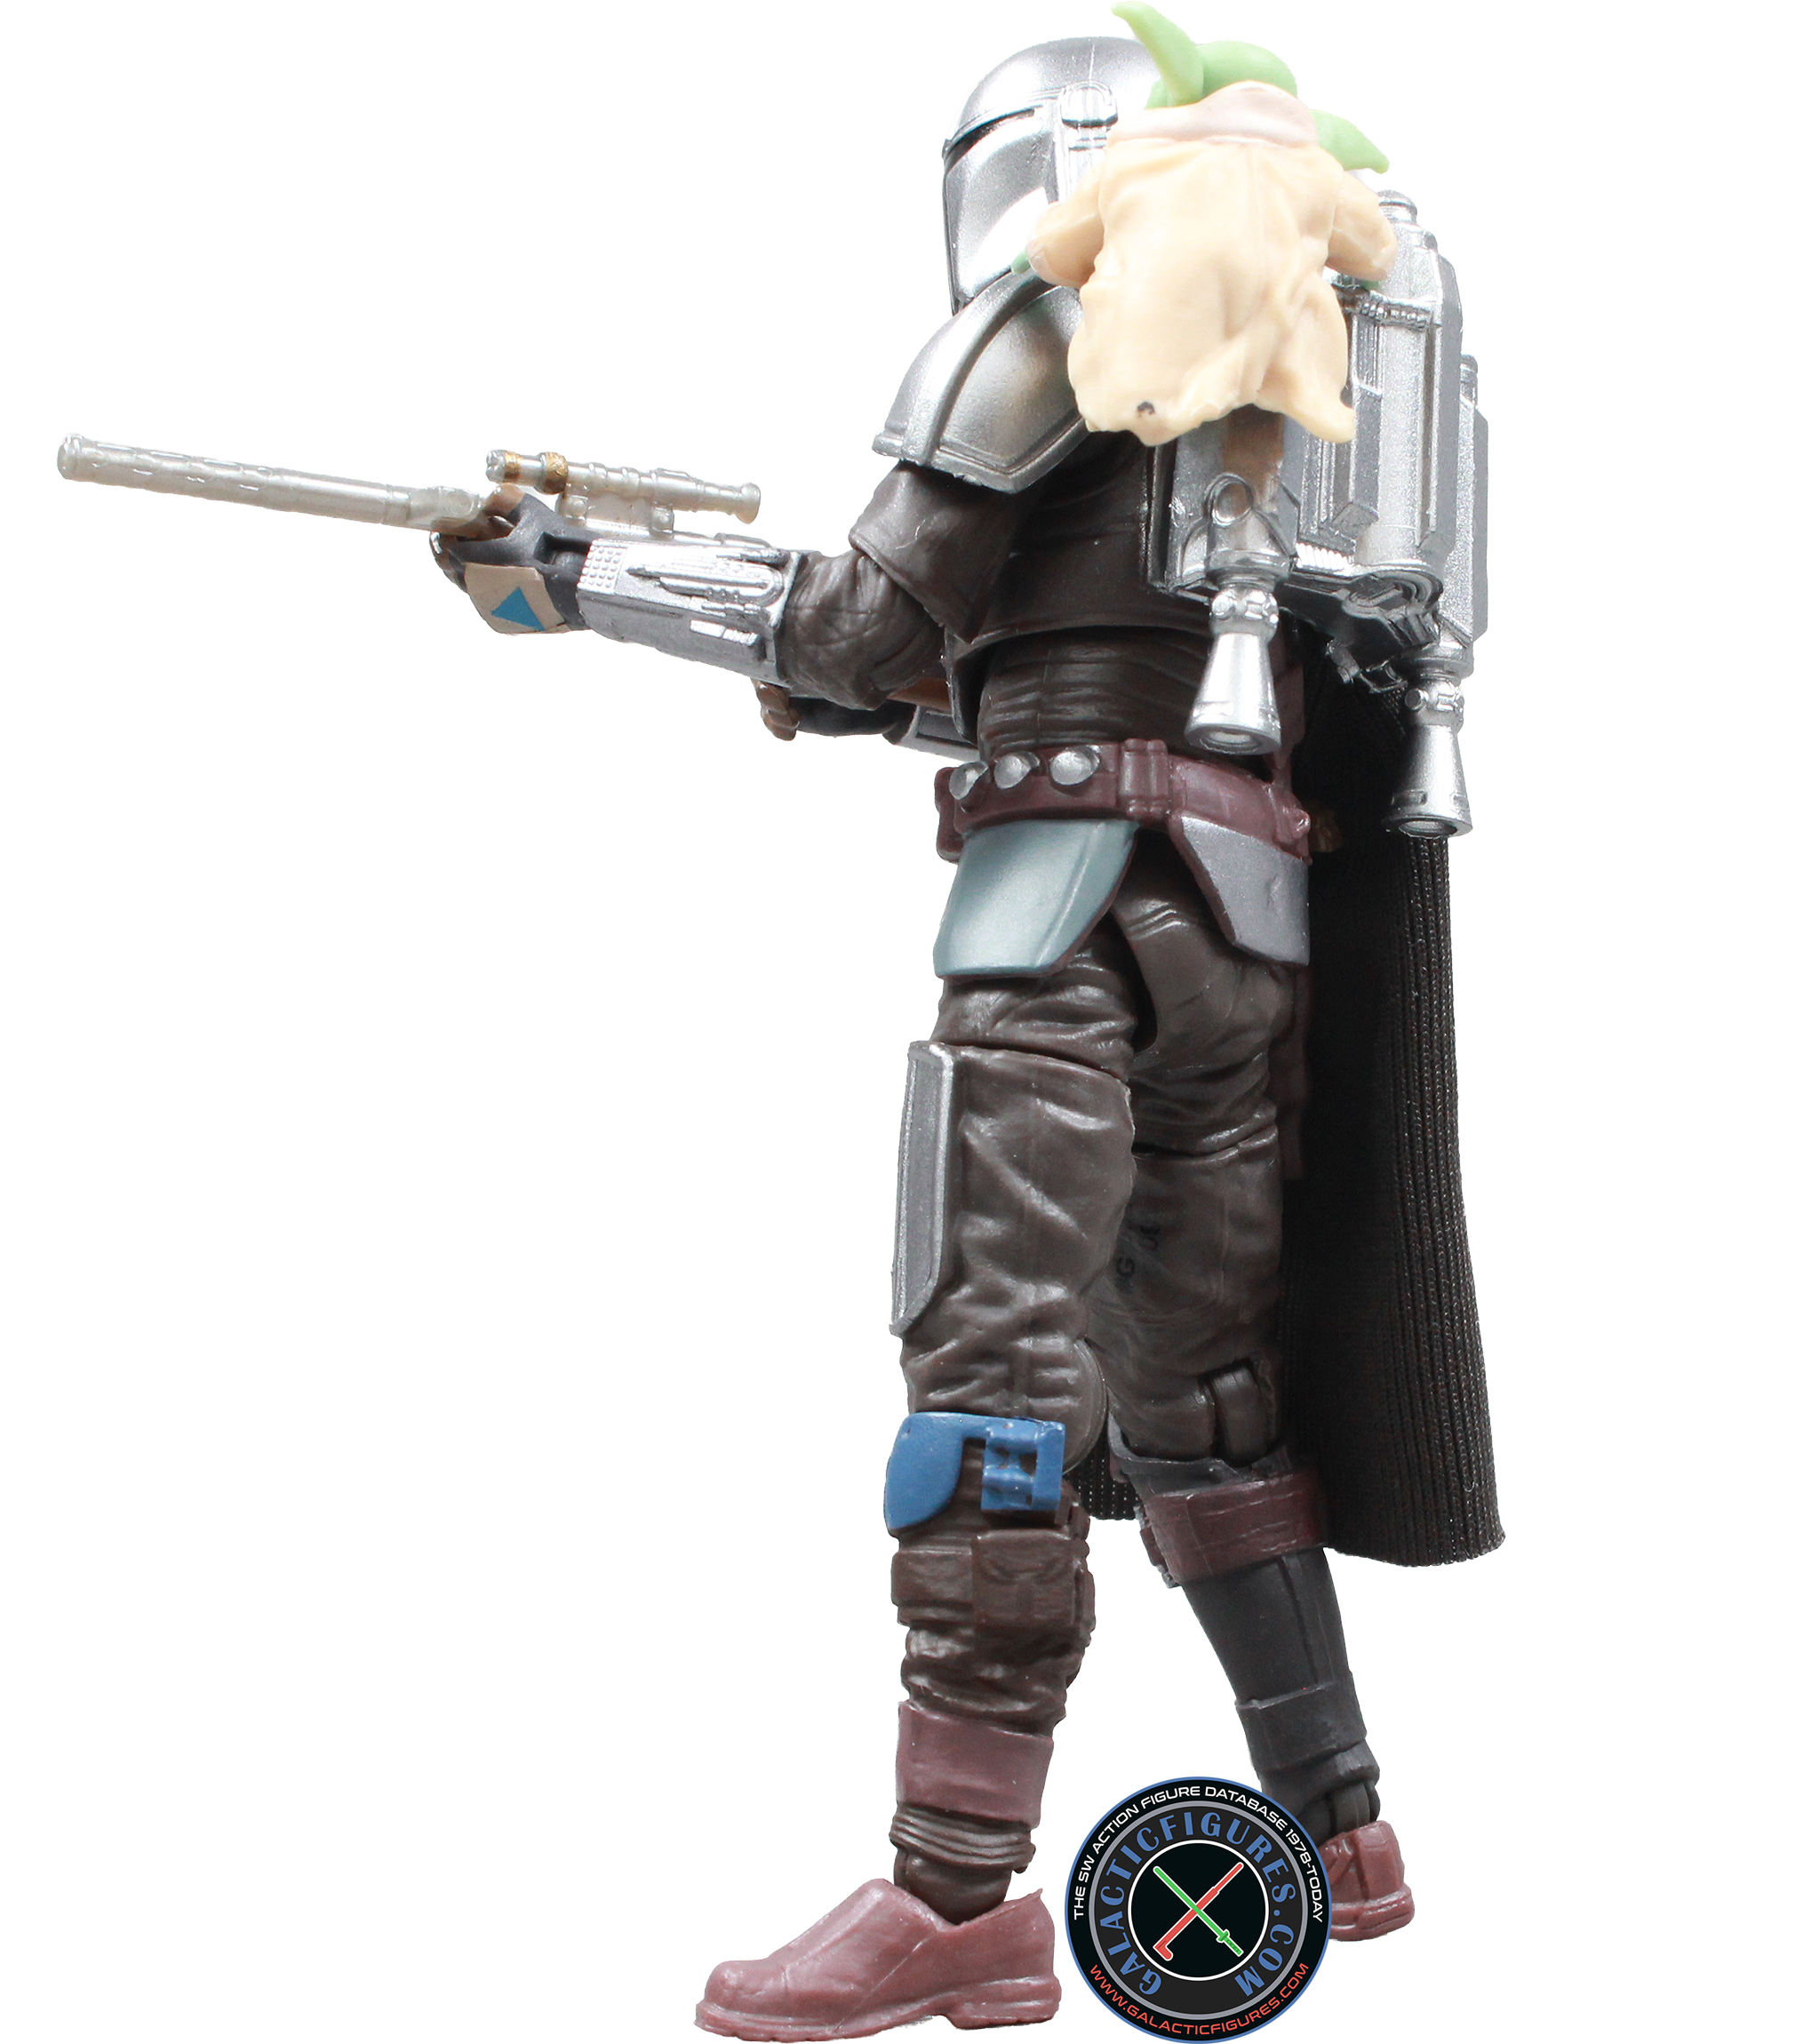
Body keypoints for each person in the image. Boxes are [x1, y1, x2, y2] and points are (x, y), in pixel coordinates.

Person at [437, 27, 1499, 2040]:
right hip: (1245, 929)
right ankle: (1342, 1832)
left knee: (987, 1378)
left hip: (1058, 923)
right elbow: (1023, 674)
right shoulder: (1308, 351)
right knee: (1203, 1389)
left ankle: (952, 1901)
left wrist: (582, 581)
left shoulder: (1065, 317)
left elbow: (862, 632)